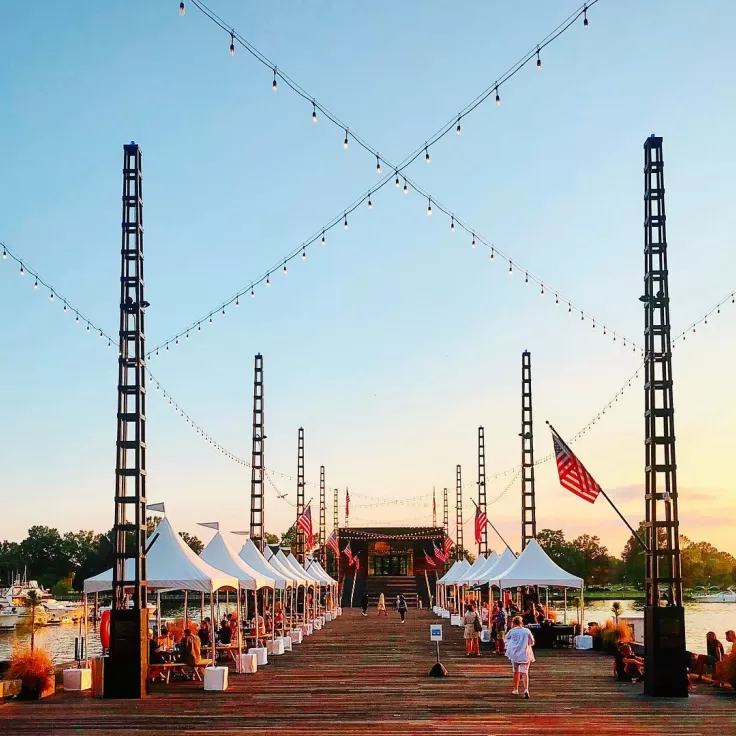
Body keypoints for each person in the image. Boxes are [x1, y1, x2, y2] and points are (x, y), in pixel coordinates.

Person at [504, 615, 535, 699]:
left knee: (516, 671)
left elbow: (506, 639)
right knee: (525, 672)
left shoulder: (512, 631)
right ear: (521, 623)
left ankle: (516, 689)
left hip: (514, 653)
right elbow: (532, 642)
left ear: (514, 623)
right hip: (525, 653)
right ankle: (526, 689)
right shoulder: (527, 631)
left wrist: (510, 644)